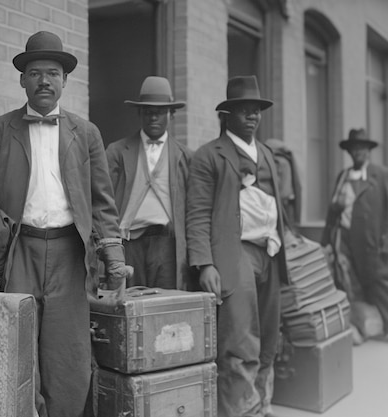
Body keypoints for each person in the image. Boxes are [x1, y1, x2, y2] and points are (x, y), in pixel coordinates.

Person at [0, 31, 131, 417]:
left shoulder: (86, 132)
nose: (44, 80)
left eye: (53, 73)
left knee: (68, 355)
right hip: (20, 249)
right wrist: (0, 252)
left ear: (65, 80)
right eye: (35, 72)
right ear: (22, 80)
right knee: (18, 347)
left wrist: (112, 257)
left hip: (68, 253)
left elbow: (102, 203)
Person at [185, 75, 289, 417]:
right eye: (243, 110)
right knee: (239, 341)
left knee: (269, 336)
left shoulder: (269, 155)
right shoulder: (208, 156)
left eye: (256, 110)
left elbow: (278, 207)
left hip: (270, 252)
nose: (252, 116)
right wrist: (205, 264)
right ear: (226, 116)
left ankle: (262, 404)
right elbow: (197, 214)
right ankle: (240, 411)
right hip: (234, 253)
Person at [105, 76, 191, 290]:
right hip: (129, 244)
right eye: (148, 111)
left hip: (167, 245)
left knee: (166, 307)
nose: (154, 116)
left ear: (171, 114)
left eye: (160, 111)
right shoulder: (117, 151)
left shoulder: (186, 157)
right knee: (130, 304)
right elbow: (102, 201)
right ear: (139, 113)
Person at [321, 128, 388, 347]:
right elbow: (332, 212)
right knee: (350, 285)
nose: (358, 153)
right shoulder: (343, 176)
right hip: (345, 241)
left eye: (362, 149)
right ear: (349, 152)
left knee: (380, 284)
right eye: (354, 149)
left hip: (372, 243)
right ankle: (360, 327)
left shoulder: (382, 175)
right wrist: (326, 241)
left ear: (369, 151)